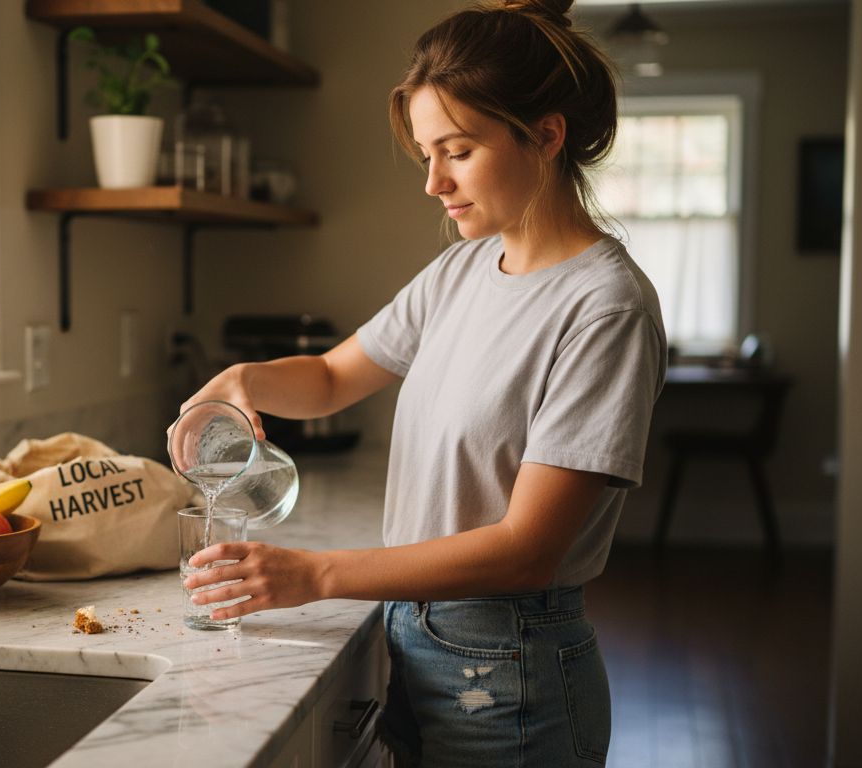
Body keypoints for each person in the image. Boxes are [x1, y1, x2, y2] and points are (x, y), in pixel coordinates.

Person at [177, 0, 666, 765]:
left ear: (545, 134)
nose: (433, 182)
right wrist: (244, 378)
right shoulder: (464, 269)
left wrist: (315, 573)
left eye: (458, 151)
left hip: (512, 672)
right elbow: (335, 376)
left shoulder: (606, 307)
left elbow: (526, 550)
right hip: (415, 636)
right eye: (427, 154)